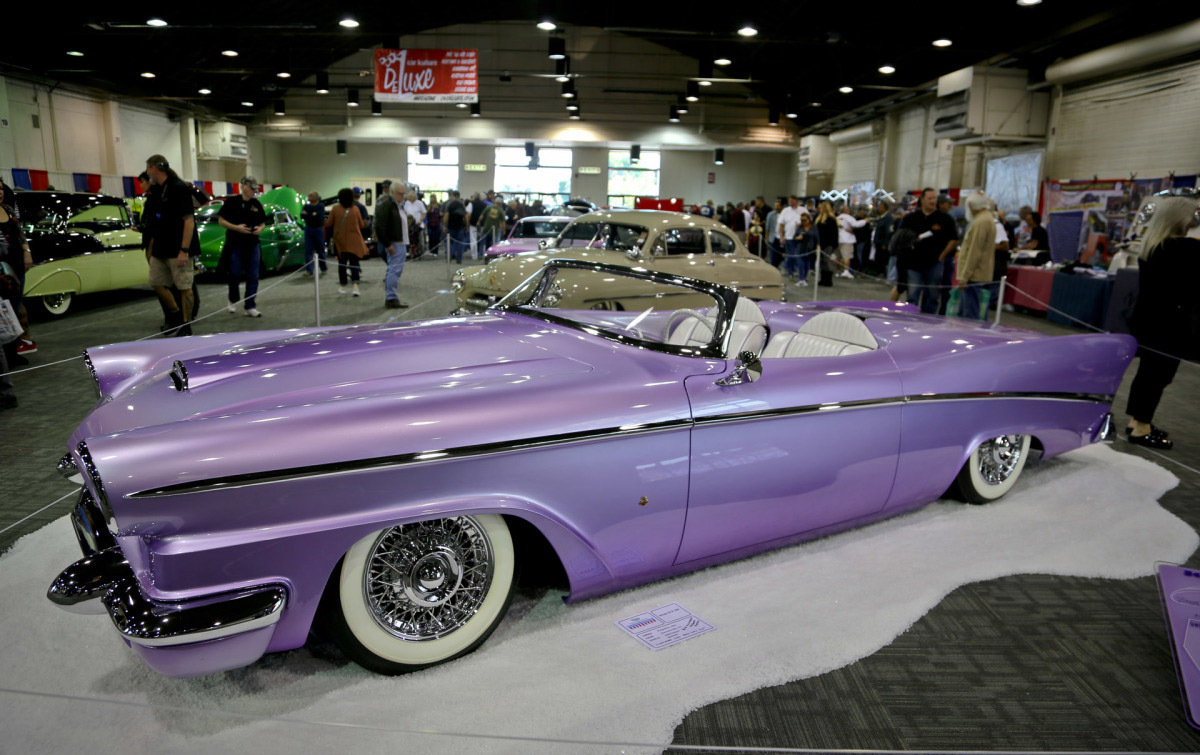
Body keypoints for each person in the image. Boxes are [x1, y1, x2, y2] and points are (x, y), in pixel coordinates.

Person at [1124, 195, 1200, 449]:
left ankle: (1137, 421)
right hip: (1168, 325)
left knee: (1148, 373)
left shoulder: (1154, 244)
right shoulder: (1181, 248)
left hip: (1147, 320)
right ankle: (1141, 427)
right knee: (1159, 376)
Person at [142, 154, 199, 336]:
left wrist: (184, 250)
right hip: (161, 248)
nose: (147, 172)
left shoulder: (178, 188)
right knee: (156, 282)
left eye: (148, 168)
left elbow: (189, 221)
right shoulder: (157, 191)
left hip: (178, 248)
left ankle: (186, 324)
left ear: (154, 168)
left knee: (184, 287)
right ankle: (175, 315)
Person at [898, 188, 958, 314]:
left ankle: (928, 322)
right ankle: (909, 320)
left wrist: (942, 256)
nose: (933, 201)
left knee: (932, 296)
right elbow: (901, 238)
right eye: (930, 198)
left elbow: (953, 240)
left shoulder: (945, 218)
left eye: (934, 198)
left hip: (934, 263)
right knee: (912, 295)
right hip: (913, 263)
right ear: (922, 200)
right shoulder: (910, 218)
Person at [216, 176, 267, 317]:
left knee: (253, 275)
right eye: (251, 189)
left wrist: (260, 229)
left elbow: (263, 222)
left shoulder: (256, 204)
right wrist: (236, 228)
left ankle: (250, 305)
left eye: (255, 189)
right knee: (235, 273)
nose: (253, 192)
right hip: (235, 244)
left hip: (253, 244)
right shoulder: (232, 202)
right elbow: (221, 221)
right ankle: (232, 299)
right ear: (243, 187)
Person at [0, 193, 33, 372]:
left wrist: (26, 252)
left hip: (16, 264)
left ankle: (13, 352)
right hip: (1, 267)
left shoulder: (8, 210)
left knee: (15, 305)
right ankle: (4, 354)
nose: (0, 192)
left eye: (0, 188)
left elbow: (20, 234)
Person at [954, 193, 996, 321]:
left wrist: (965, 275)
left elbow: (974, 251)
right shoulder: (987, 218)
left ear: (971, 206)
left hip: (974, 275)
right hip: (978, 273)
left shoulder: (981, 222)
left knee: (970, 314)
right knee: (970, 310)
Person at [375, 181, 410, 309]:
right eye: (400, 194)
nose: (402, 196)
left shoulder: (398, 205)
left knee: (395, 270)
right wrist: (387, 243)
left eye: (403, 194)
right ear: (392, 192)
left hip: (400, 242)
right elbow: (379, 226)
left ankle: (391, 297)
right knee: (394, 271)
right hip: (394, 243)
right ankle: (391, 298)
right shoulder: (387, 205)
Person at [326, 188, 368, 296]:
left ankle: (343, 286)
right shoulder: (355, 209)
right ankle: (355, 287)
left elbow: (329, 223)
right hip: (354, 240)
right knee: (354, 264)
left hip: (341, 242)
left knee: (342, 264)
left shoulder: (335, 209)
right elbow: (361, 224)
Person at [778, 196, 807, 282]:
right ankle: (789, 270)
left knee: (798, 255)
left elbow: (808, 223)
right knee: (790, 255)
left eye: (792, 201)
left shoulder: (803, 210)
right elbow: (781, 224)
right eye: (789, 201)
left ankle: (796, 270)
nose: (790, 203)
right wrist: (781, 236)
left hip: (800, 238)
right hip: (789, 237)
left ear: (796, 201)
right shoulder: (785, 211)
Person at [835, 205, 867, 278]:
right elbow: (856, 224)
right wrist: (865, 221)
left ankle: (838, 271)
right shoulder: (849, 217)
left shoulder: (837, 218)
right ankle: (846, 271)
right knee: (847, 256)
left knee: (838, 257)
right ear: (847, 210)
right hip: (847, 240)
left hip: (838, 239)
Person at [300, 191, 328, 275]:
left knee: (320, 250)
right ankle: (309, 270)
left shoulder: (320, 206)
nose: (309, 197)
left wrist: (308, 215)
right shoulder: (306, 206)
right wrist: (311, 215)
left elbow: (318, 217)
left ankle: (323, 268)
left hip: (318, 230)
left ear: (316, 197)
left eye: (311, 195)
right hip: (308, 229)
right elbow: (302, 215)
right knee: (308, 250)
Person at [814, 201, 839, 283]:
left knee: (826, 261)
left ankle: (828, 280)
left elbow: (835, 233)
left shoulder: (831, 220)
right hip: (820, 244)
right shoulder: (819, 219)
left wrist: (834, 245)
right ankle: (823, 278)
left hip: (828, 244)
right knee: (821, 261)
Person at [443, 190, 470, 264]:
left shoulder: (449, 204)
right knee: (460, 243)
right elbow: (466, 216)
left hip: (451, 226)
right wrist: (467, 225)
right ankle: (459, 259)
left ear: (453, 196)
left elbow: (446, 216)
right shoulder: (461, 205)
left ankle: (450, 256)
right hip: (460, 226)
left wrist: (445, 225)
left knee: (450, 242)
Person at [404, 190, 427, 256]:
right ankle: (408, 251)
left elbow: (424, 213)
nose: (409, 199)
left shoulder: (419, 203)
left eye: (411, 197)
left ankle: (418, 250)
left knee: (418, 238)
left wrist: (421, 220)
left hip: (418, 224)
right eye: (409, 197)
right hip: (409, 224)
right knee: (408, 237)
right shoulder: (407, 203)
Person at [765, 199, 782, 267]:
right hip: (772, 237)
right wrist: (767, 237)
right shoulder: (770, 214)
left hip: (781, 237)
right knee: (773, 254)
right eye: (776, 205)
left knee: (779, 254)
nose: (777, 207)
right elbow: (767, 227)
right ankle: (773, 266)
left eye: (778, 205)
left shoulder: (784, 214)